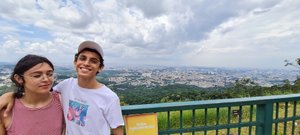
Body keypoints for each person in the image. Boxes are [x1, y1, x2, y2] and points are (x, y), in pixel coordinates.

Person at [0, 41, 124, 135]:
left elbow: (118, 130)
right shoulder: (66, 85)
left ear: (100, 67)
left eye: (93, 61)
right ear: (75, 62)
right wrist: (10, 95)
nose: (86, 63)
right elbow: (41, 91)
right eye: (82, 58)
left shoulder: (109, 97)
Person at [0, 54, 64, 135]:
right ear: (19, 79)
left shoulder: (62, 101)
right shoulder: (7, 111)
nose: (46, 79)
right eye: (37, 76)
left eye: (50, 74)